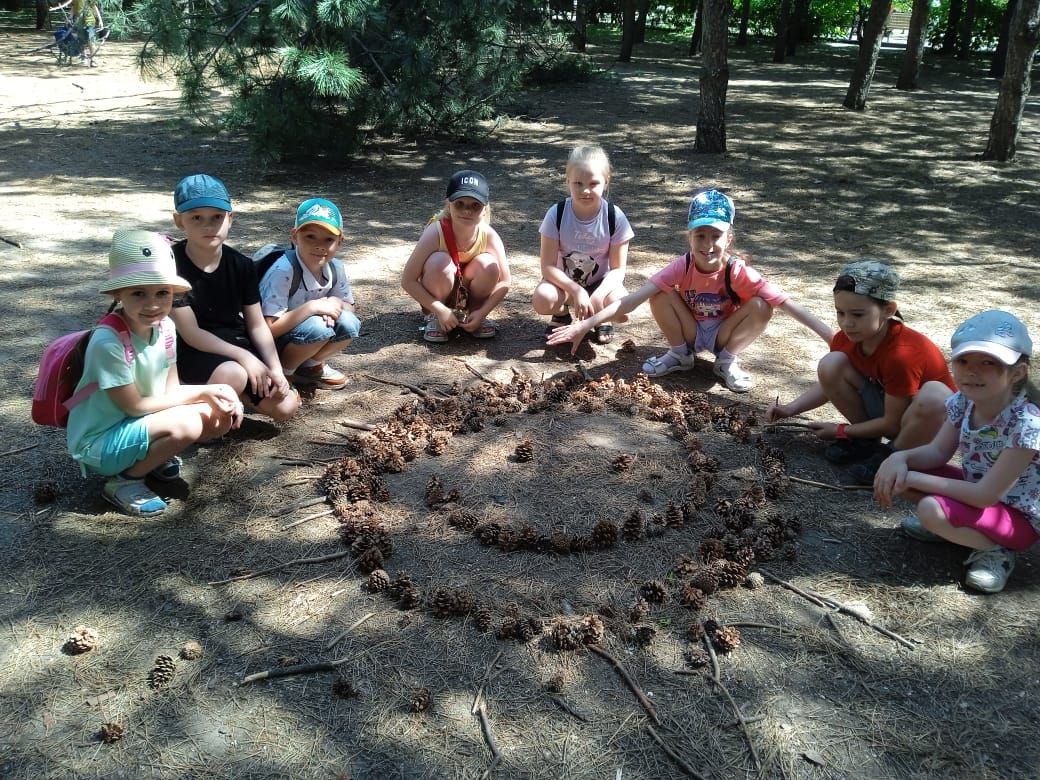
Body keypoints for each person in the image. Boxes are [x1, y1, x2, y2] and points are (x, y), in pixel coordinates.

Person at [547, 188, 833, 392]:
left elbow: (787, 304)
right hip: (691, 330)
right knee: (659, 291)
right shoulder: (681, 266)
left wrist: (831, 337)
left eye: (715, 236)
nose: (707, 244)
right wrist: (585, 324)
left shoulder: (738, 271)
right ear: (690, 236)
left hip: (724, 332)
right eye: (700, 235)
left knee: (761, 305)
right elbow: (631, 301)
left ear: (729, 238)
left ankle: (726, 361)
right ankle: (680, 355)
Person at [67, 230, 243, 516]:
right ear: (117, 294)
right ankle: (124, 481)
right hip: (99, 442)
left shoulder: (165, 328)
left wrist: (217, 393)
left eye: (162, 293)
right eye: (138, 293)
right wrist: (204, 390)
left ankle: (150, 457)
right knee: (188, 424)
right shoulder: (108, 342)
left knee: (216, 417)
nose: (152, 305)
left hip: (137, 424)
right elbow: (135, 406)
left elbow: (170, 391)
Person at [874, 310, 1040, 594]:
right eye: (963, 360)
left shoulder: (1026, 423)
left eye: (988, 362)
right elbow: (937, 452)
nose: (972, 371)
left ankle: (995, 551)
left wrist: (909, 477)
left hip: (1019, 518)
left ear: (1017, 372)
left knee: (929, 508)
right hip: (980, 499)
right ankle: (956, 531)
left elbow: (986, 495)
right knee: (908, 471)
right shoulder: (964, 402)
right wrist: (899, 457)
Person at [768, 261, 954, 481]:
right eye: (841, 313)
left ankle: (892, 456)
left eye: (857, 315)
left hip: (929, 429)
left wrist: (840, 431)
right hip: (892, 410)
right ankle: (866, 442)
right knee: (831, 364)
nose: (847, 323)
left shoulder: (902, 354)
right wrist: (791, 409)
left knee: (936, 395)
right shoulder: (845, 340)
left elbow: (892, 423)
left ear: (888, 310)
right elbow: (829, 383)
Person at [169, 173, 299, 421]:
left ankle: (238, 397)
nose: (208, 225)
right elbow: (191, 333)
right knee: (234, 374)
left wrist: (274, 368)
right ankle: (193, 403)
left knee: (286, 408)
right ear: (179, 221)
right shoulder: (171, 265)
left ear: (230, 218)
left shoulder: (241, 264)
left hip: (233, 341)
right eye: (196, 217)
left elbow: (257, 323)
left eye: (217, 217)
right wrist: (245, 357)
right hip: (191, 349)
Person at [532, 146, 634, 344]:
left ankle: (600, 318)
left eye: (593, 183)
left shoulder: (615, 217)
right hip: (566, 284)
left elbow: (618, 269)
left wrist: (599, 295)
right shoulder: (557, 213)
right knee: (543, 299)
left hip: (600, 283)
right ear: (567, 180)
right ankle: (561, 315)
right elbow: (547, 266)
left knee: (622, 307)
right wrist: (576, 290)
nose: (585, 190)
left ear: (606, 182)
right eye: (578, 183)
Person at [258, 198, 361, 390]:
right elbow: (267, 329)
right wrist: (313, 307)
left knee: (349, 323)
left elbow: (349, 307)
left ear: (340, 241)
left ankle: (310, 366)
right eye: (310, 237)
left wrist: (333, 303)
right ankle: (283, 372)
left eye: (328, 239)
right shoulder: (284, 271)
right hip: (273, 344)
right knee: (318, 327)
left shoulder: (336, 268)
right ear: (295, 236)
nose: (319, 245)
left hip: (306, 334)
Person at [401, 170, 511, 343]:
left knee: (489, 264)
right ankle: (435, 317)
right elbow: (408, 280)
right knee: (440, 262)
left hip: (470, 293)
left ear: (485, 209)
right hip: (437, 294)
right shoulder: (435, 232)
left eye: (475, 205)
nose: (467, 211)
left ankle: (474, 315)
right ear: (448, 205)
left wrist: (483, 313)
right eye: (460, 203)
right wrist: (439, 309)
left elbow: (505, 281)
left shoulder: (488, 235)